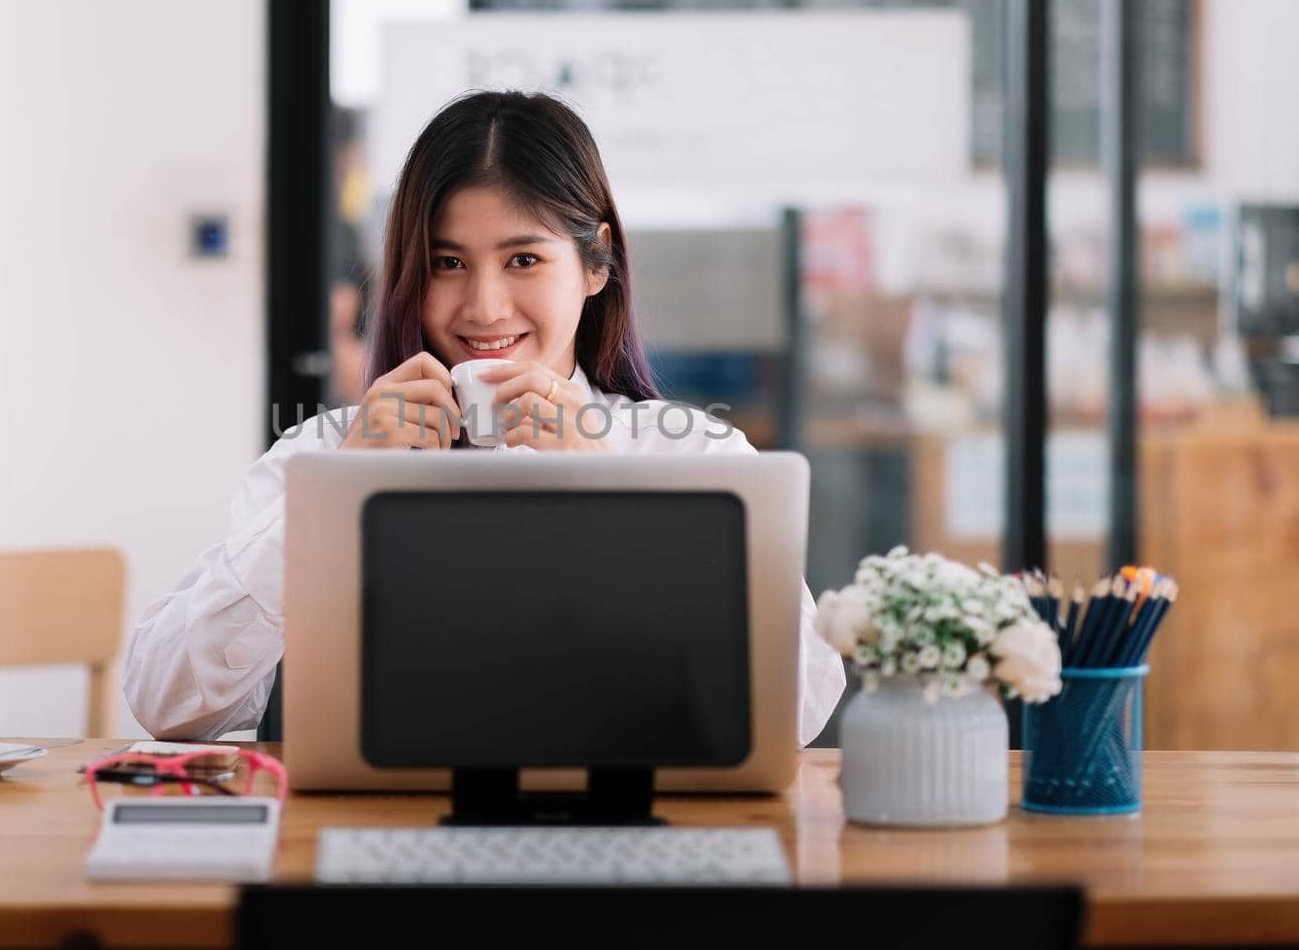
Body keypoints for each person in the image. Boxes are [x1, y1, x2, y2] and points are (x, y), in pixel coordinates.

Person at [123, 91, 847, 744]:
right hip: (377, 841)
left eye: (523, 259)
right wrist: (335, 491)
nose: (484, 307)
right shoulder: (323, 454)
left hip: (625, 836)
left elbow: (797, 710)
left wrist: (622, 492)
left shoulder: (693, 455)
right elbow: (168, 703)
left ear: (595, 266)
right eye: (447, 263)